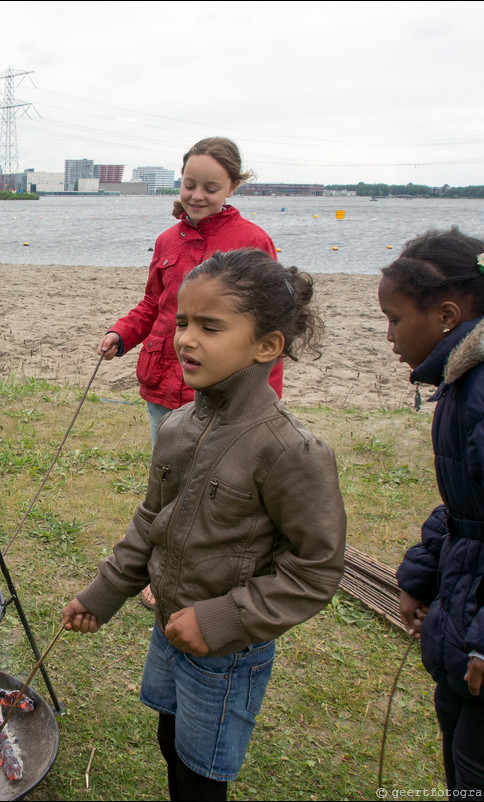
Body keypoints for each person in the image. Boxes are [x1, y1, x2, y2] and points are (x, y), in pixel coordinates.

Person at [65, 250, 346, 801]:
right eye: (184, 322)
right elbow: (152, 520)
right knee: (172, 739)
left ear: (267, 346)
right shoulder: (175, 427)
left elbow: (316, 569)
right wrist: (103, 594)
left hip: (227, 649)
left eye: (210, 327)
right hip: (171, 627)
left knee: (202, 774)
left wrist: (222, 619)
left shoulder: (291, 451)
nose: (186, 339)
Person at [380, 228, 484, 795]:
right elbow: (469, 504)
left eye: (396, 320)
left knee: (483, 768)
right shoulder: (470, 375)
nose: (389, 335)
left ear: (448, 314)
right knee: (460, 747)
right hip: (476, 599)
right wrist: (424, 571)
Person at [96, 137, 283, 611]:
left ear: (233, 187)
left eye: (211, 187)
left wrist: (266, 398)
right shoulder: (166, 240)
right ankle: (156, 574)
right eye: (190, 184)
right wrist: (122, 334)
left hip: (222, 392)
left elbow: (270, 324)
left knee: (212, 492)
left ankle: (199, 579)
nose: (198, 196)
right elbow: (151, 305)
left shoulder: (254, 241)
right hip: (163, 383)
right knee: (168, 484)